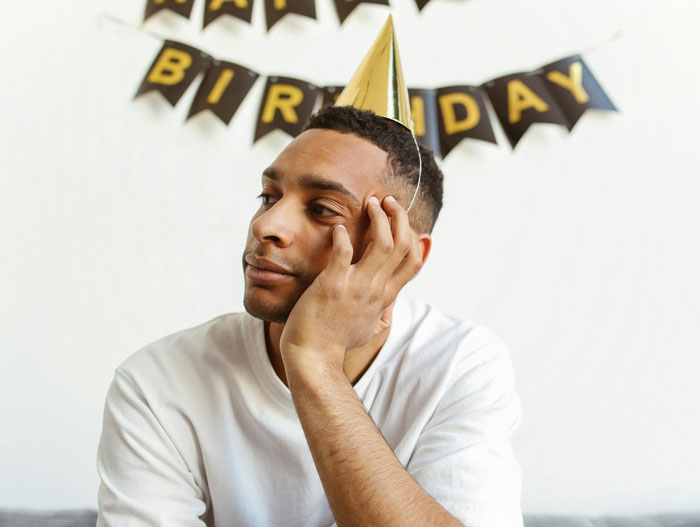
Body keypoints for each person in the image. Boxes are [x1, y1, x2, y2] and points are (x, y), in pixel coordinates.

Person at [96, 104, 523, 527]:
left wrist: (315, 360)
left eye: (322, 209)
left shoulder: (461, 364)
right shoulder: (156, 382)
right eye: (269, 196)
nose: (267, 225)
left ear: (403, 252)